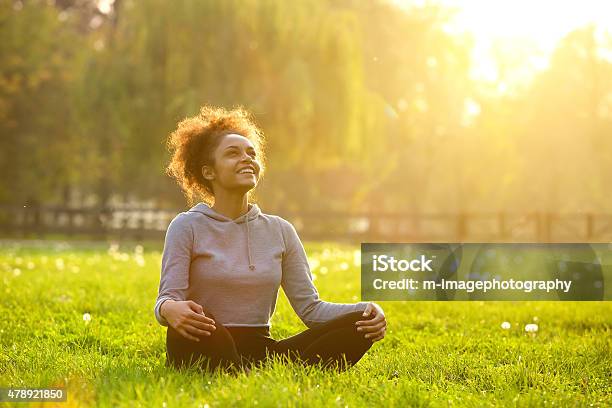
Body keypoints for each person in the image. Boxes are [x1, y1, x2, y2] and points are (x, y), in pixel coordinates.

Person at [154, 105, 387, 374]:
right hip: (203, 339)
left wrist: (369, 308)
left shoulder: (280, 230)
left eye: (251, 153)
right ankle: (245, 370)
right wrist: (170, 310)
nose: (246, 159)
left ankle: (244, 371)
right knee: (206, 328)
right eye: (233, 153)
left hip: (261, 349)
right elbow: (167, 299)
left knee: (360, 322)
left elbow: (311, 309)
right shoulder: (187, 225)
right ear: (209, 172)